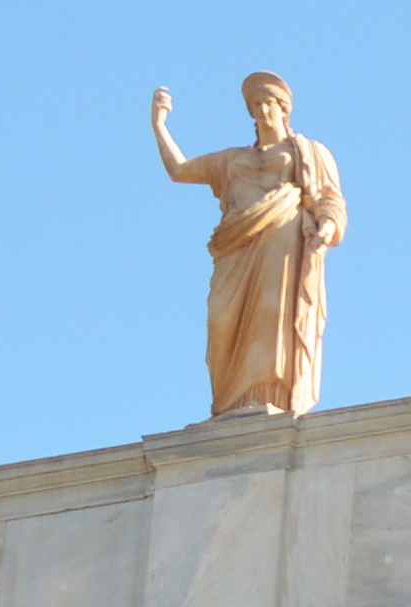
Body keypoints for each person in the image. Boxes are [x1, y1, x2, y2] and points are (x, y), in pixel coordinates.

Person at [146, 72, 346, 417]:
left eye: (268, 103)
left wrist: (327, 224)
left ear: (284, 109)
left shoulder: (308, 152)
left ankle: (270, 395)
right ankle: (229, 403)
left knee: (273, 318)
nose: (262, 111)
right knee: (221, 320)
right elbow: (180, 170)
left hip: (283, 241)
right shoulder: (230, 160)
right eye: (255, 105)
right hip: (235, 248)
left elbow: (329, 199)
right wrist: (159, 124)